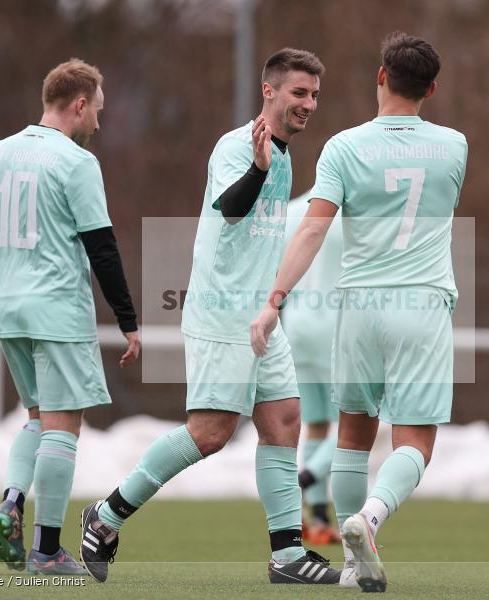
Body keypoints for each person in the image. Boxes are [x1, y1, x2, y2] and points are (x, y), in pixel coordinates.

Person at [79, 49, 339, 585]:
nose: (309, 104)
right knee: (210, 433)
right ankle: (105, 518)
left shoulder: (285, 157)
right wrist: (258, 168)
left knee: (284, 421)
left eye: (314, 95)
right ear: (268, 92)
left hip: (260, 317)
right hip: (222, 313)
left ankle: (289, 556)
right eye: (298, 93)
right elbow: (231, 206)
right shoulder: (238, 145)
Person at [251, 32, 468, 592]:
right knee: (415, 441)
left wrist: (275, 297)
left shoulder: (344, 147)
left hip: (357, 305)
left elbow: (315, 228)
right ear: (432, 88)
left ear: (380, 76)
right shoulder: (454, 145)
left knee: (351, 434)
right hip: (419, 302)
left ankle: (351, 568)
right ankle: (368, 520)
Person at [0, 58, 141, 575]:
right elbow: (102, 246)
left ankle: (12, 500)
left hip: (10, 310)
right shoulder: (77, 163)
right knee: (64, 425)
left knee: (37, 418)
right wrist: (128, 319)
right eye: (98, 112)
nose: (100, 124)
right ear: (79, 104)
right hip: (58, 309)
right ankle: (46, 549)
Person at [279, 192, 343, 546]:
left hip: (296, 325)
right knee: (362, 415)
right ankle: (309, 475)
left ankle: (316, 518)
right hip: (334, 325)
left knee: (317, 420)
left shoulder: (289, 212)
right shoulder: (348, 213)